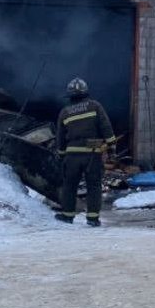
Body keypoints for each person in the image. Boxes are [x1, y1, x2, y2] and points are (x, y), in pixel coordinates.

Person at [55, 78, 116, 227]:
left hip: (72, 155)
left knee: (70, 186)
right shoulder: (95, 106)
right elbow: (106, 127)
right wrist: (111, 147)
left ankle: (68, 215)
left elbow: (60, 137)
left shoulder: (65, 112)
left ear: (70, 95)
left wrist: (61, 155)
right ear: (85, 92)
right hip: (92, 154)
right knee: (93, 186)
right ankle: (93, 219)